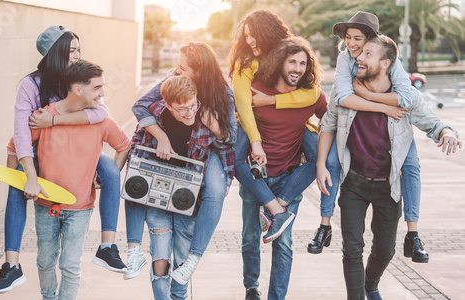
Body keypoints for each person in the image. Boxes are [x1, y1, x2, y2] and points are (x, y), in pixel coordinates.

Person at [316, 35, 462, 300]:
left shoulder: (406, 97)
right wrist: (321, 165)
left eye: (368, 54)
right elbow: (327, 124)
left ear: (385, 63)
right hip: (354, 182)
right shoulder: (345, 92)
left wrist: (448, 133)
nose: (359, 57)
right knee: (352, 248)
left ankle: (370, 284)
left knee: (385, 250)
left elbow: (433, 122)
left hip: (388, 186)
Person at [0, 25, 126, 296]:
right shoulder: (31, 86)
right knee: (16, 179)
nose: (77, 55)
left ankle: (107, 246)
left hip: (78, 151)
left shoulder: (78, 78)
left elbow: (101, 114)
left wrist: (54, 120)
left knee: (110, 168)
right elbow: (21, 135)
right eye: (71, 50)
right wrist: (29, 174)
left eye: (79, 50)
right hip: (40, 152)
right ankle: (11, 265)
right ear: (55, 53)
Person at [307, 11, 428, 263]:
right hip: (359, 128)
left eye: (358, 38)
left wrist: (370, 96)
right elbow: (342, 98)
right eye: (348, 38)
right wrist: (383, 106)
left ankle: (413, 234)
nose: (351, 44)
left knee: (411, 166)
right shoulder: (344, 59)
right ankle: (324, 224)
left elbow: (405, 98)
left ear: (372, 41)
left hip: (395, 130)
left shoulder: (387, 60)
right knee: (330, 163)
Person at [124, 41, 237, 284]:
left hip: (212, 147)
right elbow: (141, 105)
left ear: (200, 71)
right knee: (135, 181)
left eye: (184, 67)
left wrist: (213, 125)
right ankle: (133, 249)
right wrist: (161, 137)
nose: (178, 70)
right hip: (176, 156)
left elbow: (230, 138)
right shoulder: (172, 84)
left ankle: (194, 258)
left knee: (216, 189)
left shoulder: (223, 94)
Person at [239, 36, 327, 300]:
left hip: (289, 181)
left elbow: (333, 121)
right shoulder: (256, 91)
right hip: (256, 180)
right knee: (250, 238)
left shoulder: (311, 97)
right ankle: (251, 287)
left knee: (284, 245)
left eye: (303, 63)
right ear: (280, 63)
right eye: (292, 61)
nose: (298, 68)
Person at [228, 10, 326, 243]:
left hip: (294, 127)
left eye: (254, 35)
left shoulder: (289, 55)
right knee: (235, 159)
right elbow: (244, 105)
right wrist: (255, 141)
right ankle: (277, 208)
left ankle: (281, 207)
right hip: (250, 124)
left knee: (321, 154)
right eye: (246, 36)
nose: (250, 41)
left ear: (268, 32)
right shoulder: (246, 63)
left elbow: (312, 94)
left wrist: (272, 100)